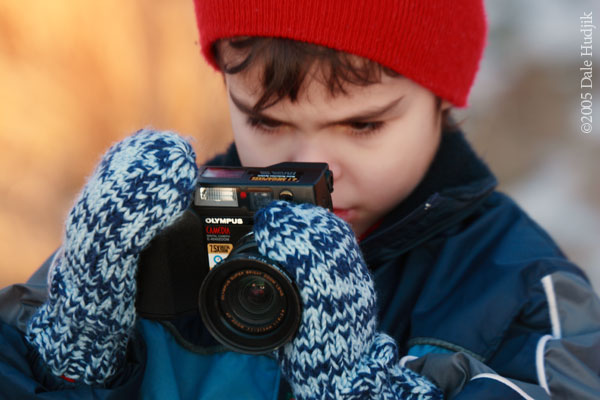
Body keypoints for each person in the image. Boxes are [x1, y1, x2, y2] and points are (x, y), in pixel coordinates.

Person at [1, 0, 599, 398]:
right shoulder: (157, 228)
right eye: (267, 122)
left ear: (443, 102)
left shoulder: (517, 286)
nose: (311, 166)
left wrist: (360, 386)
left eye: (363, 126)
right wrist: (73, 346)